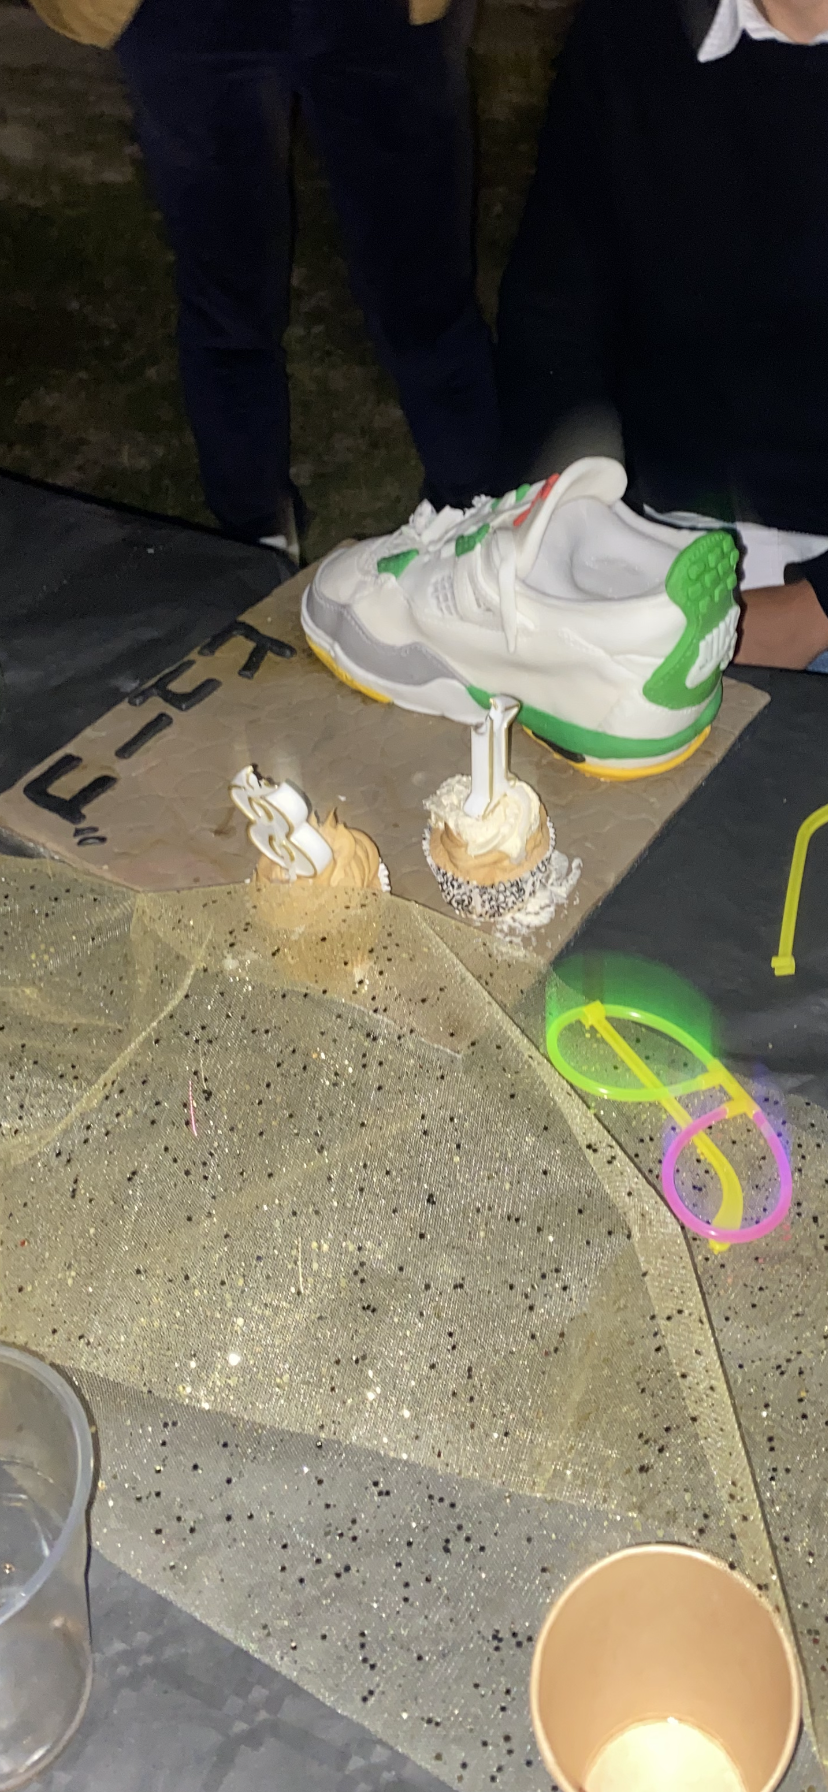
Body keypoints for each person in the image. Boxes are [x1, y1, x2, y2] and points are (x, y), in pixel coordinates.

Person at [29, 0, 499, 560]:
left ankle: (475, 520)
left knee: (424, 288)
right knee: (227, 302)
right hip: (188, 18)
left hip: (374, 15)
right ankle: (258, 545)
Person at [496, 0, 828, 670]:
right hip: (647, 540)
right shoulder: (632, 28)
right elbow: (555, 313)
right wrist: (558, 524)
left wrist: (806, 616)